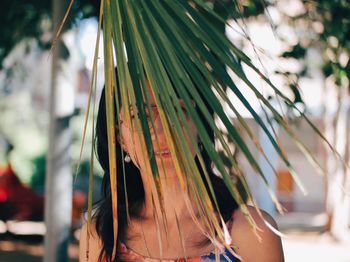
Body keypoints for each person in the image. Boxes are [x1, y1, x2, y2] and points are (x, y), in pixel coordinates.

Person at [79, 81, 284, 261]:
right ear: (119, 136)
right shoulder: (101, 237)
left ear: (199, 126)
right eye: (141, 115)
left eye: (178, 110)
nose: (163, 131)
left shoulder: (252, 232)